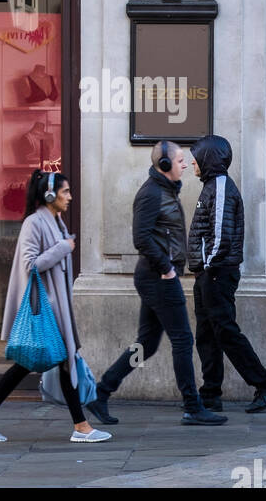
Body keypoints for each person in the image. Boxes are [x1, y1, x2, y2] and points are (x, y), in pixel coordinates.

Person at [88, 141, 227, 427]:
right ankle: (192, 406)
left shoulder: (165, 190)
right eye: (179, 160)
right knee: (183, 340)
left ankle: (100, 394)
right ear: (164, 166)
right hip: (158, 277)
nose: (185, 164)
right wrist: (166, 269)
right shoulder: (151, 194)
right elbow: (141, 237)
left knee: (146, 345)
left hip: (157, 275)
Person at [0, 169, 111, 443]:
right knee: (58, 361)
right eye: (65, 192)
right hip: (44, 307)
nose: (69, 197)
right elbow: (30, 264)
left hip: (55, 306)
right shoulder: (34, 223)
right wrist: (63, 248)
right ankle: (80, 427)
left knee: (47, 363)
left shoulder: (56, 221)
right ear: (49, 195)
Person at [188, 135, 266, 414]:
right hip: (207, 273)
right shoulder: (212, 186)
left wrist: (208, 266)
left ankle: (265, 383)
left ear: (209, 158)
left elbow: (220, 235)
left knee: (226, 332)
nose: (193, 162)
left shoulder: (221, 186)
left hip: (217, 273)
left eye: (197, 157)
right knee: (207, 334)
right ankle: (210, 394)